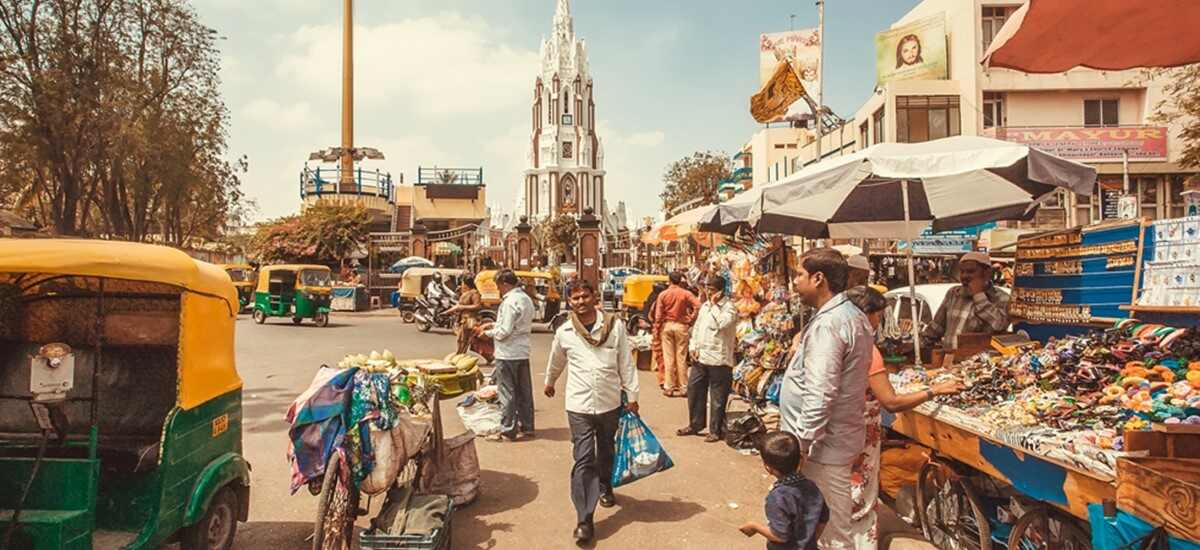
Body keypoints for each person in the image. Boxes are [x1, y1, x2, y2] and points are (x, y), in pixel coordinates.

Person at [844, 286, 963, 548]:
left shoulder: (837, 341)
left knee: (844, 494)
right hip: (859, 433)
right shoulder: (867, 349)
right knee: (859, 495)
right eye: (878, 316)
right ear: (867, 314)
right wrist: (934, 390)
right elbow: (891, 401)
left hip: (841, 431)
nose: (879, 323)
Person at [779, 248, 874, 549]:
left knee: (830, 532)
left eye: (799, 275)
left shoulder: (831, 323)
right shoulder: (845, 315)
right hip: (831, 442)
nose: (794, 281)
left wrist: (802, 444)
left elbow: (821, 393)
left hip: (822, 447)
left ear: (819, 279)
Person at [544, 280, 640, 545]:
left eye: (585, 296)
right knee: (584, 457)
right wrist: (550, 381)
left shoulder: (615, 326)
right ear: (569, 302)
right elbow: (556, 359)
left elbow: (626, 363)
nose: (580, 301)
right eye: (575, 298)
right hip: (579, 405)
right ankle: (584, 518)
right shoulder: (564, 331)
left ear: (594, 296)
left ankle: (605, 484)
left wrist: (632, 396)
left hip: (610, 402)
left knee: (606, 449)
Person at [738, 431, 828, 550]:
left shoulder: (778, 497)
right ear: (801, 459)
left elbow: (780, 536)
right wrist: (810, 542)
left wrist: (754, 527)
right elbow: (824, 518)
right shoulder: (811, 486)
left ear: (768, 468)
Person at [678, 274, 738, 442]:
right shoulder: (705, 307)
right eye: (706, 288)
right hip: (701, 357)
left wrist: (714, 305)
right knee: (694, 390)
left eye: (711, 289)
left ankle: (715, 430)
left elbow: (721, 324)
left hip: (719, 359)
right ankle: (695, 423)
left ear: (719, 290)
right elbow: (697, 329)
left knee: (717, 397)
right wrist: (693, 347)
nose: (708, 292)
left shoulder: (729, 308)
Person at [478, 269, 535, 441]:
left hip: (508, 353)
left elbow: (505, 331)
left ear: (504, 284)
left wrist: (487, 334)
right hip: (522, 351)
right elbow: (513, 324)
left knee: (507, 392)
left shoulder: (510, 302)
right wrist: (493, 326)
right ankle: (528, 426)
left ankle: (507, 429)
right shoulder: (525, 299)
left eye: (498, 285)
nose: (498, 289)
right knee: (524, 391)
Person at [921, 251, 1011, 352]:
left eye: (970, 271)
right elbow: (936, 328)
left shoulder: (1002, 298)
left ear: (987, 273)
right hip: (948, 361)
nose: (964, 276)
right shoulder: (954, 294)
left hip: (978, 364)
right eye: (962, 272)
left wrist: (979, 296)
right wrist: (918, 344)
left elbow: (998, 326)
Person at [653, 271, 700, 397]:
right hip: (681, 326)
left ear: (669, 280)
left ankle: (669, 387)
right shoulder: (686, 293)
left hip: (667, 326)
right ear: (680, 281)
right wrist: (691, 319)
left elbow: (658, 315)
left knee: (668, 358)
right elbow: (698, 305)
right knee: (681, 357)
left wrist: (656, 330)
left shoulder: (663, 294)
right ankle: (684, 387)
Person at [443, 275, 482, 355]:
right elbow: (458, 306)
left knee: (465, 339)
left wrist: (462, 307)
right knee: (461, 339)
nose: (462, 284)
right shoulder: (465, 292)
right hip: (463, 319)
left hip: (470, 319)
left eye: (463, 283)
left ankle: (460, 355)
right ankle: (460, 354)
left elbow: (477, 305)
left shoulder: (474, 293)